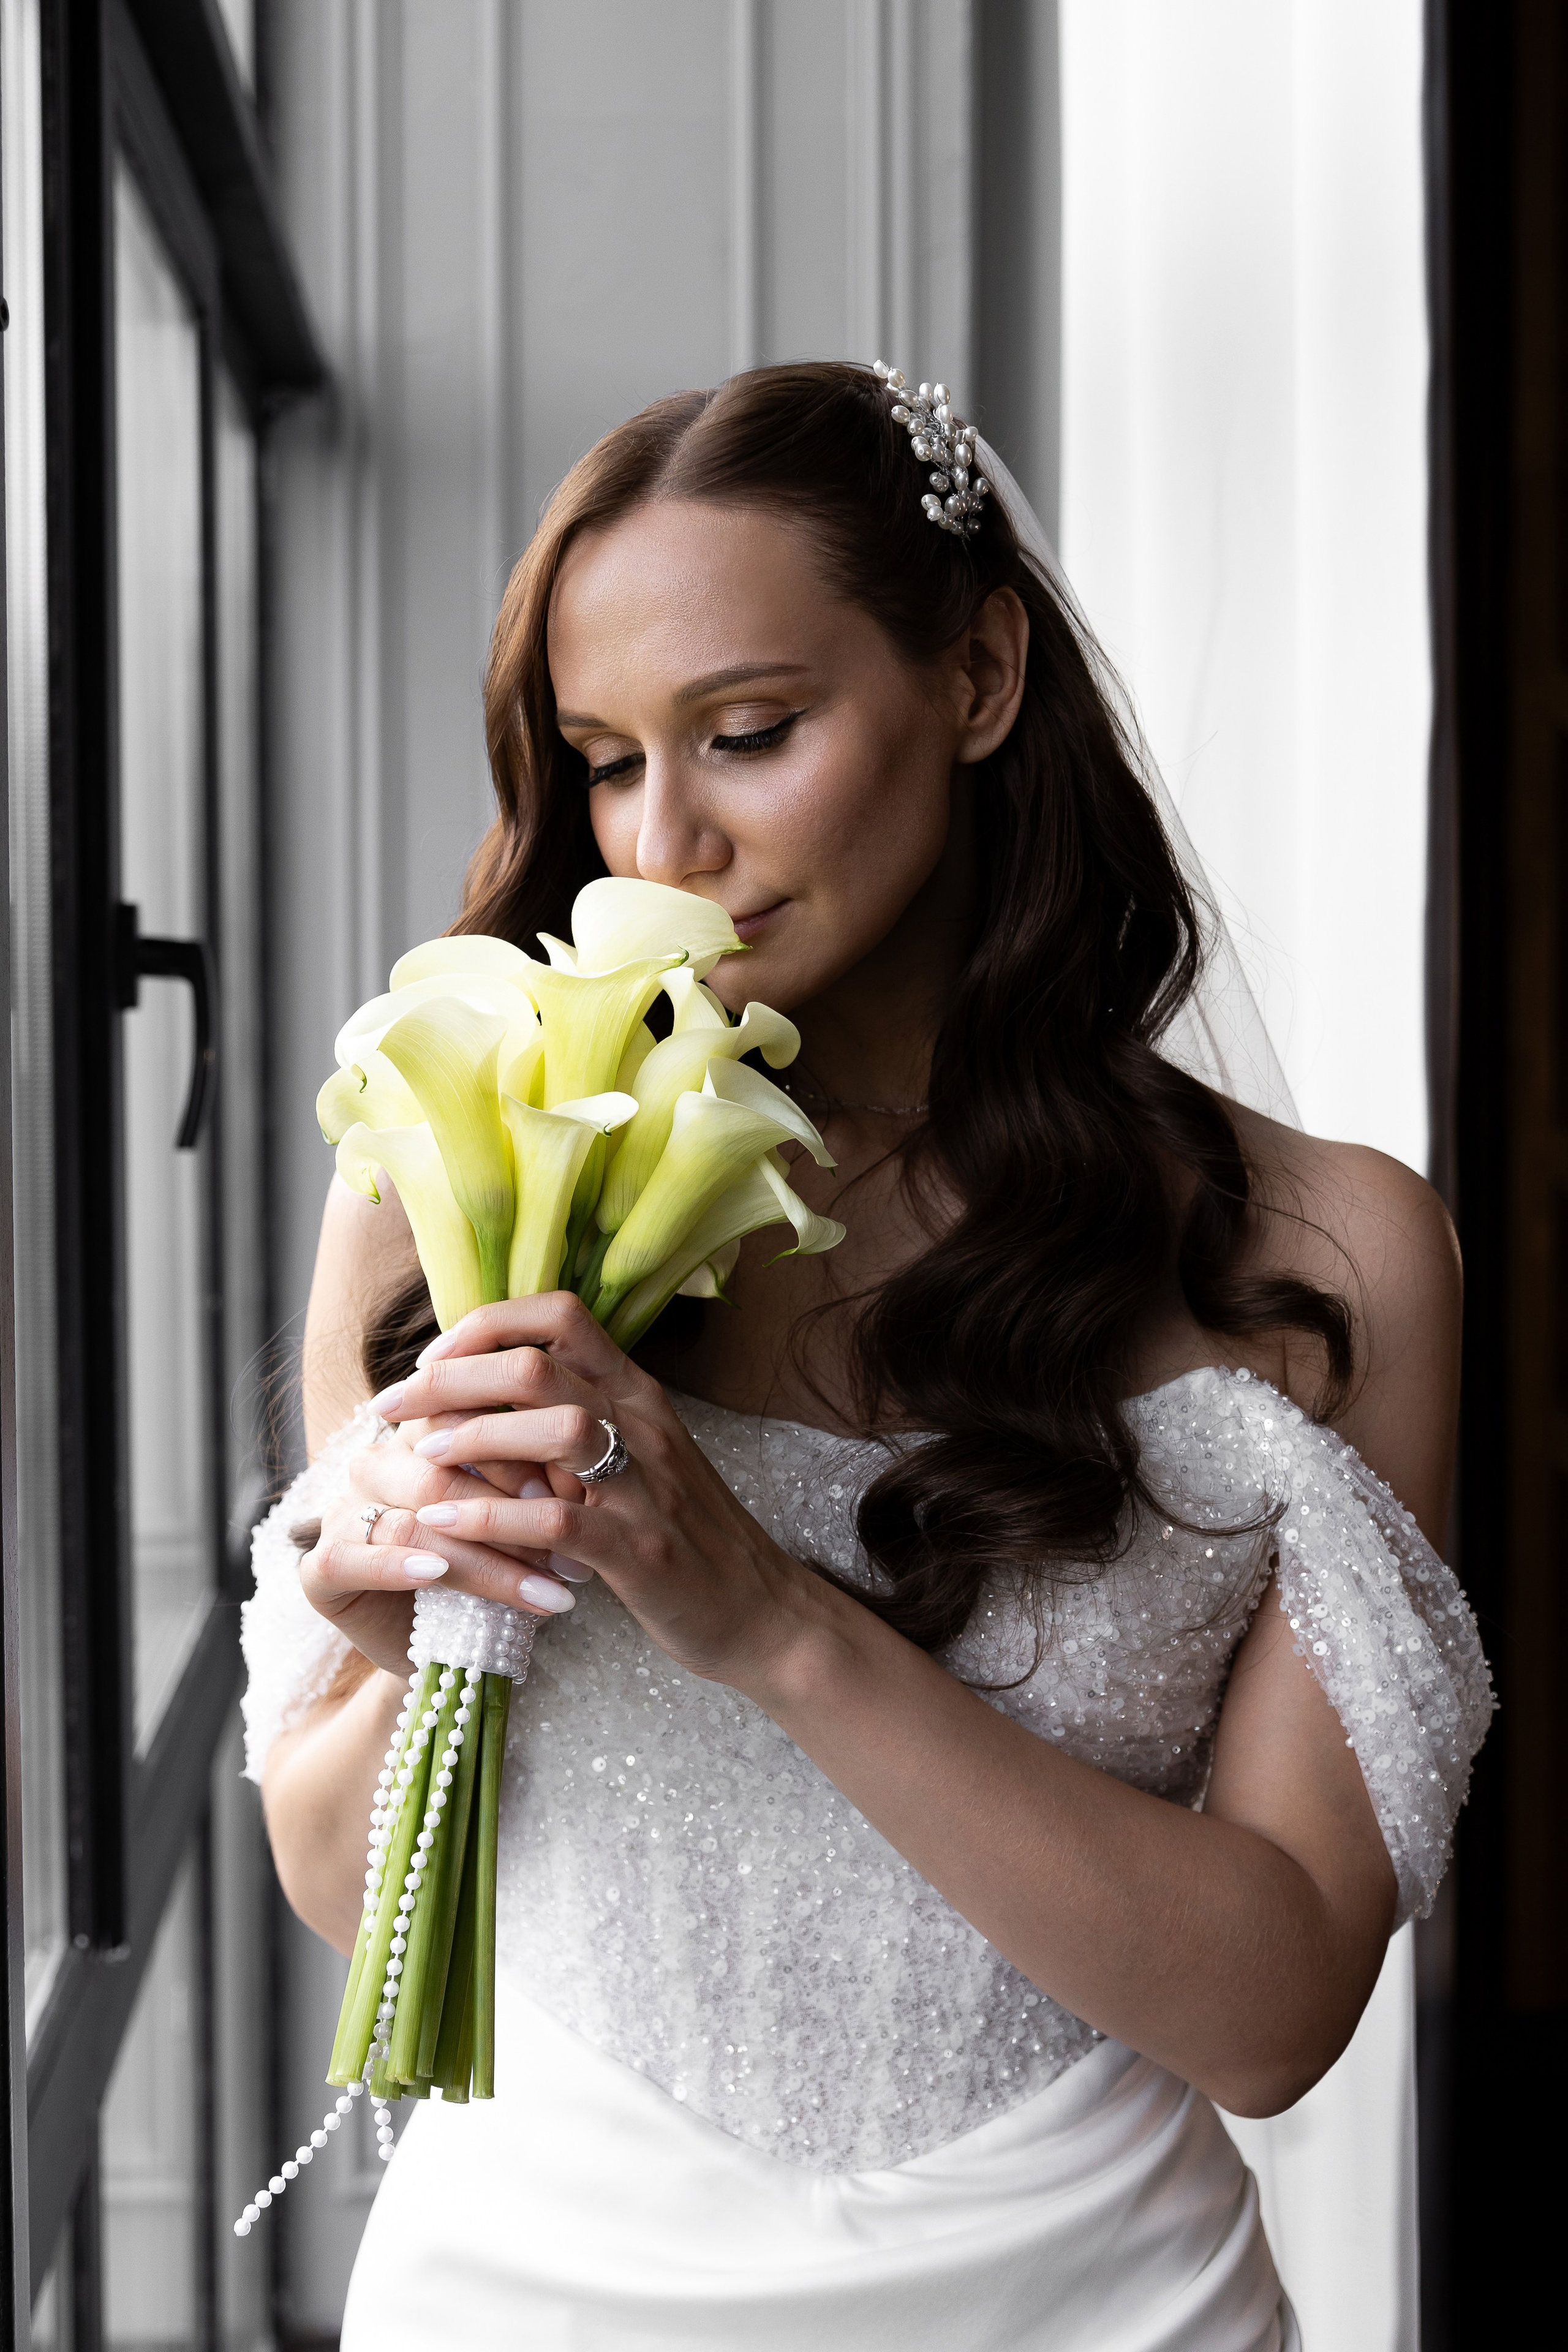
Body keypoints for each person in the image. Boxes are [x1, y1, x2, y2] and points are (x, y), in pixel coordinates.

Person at [242, 361, 1491, 2350]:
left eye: (749, 735)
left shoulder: (1328, 1255)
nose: (664, 847)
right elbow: (339, 1882)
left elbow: (1278, 2016)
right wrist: (418, 1639)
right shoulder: (455, 1166)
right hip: (531, 2288)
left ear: (980, 677)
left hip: (1095, 2299)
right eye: (600, 759)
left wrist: (777, 1626)